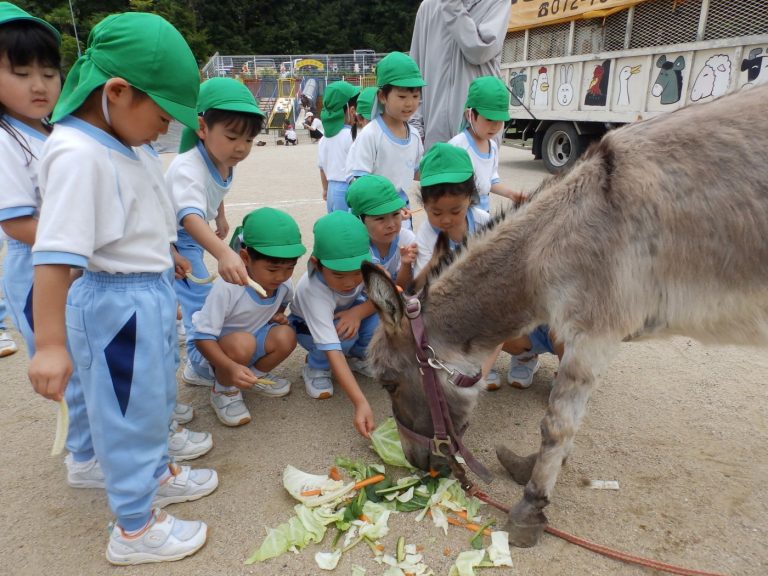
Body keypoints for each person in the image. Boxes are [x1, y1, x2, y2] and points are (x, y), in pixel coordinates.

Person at [28, 13, 218, 565]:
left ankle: (156, 472)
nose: (166, 130)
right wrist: (50, 344)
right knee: (127, 413)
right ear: (116, 92)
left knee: (153, 400)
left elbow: (138, 216)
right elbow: (55, 255)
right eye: (162, 116)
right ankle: (134, 528)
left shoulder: (122, 142)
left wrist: (168, 257)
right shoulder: (77, 154)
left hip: (148, 291)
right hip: (117, 304)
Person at [166, 77, 265, 389]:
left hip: (190, 235)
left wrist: (220, 216)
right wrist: (223, 252)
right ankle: (198, 365)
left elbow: (216, 190)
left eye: (248, 140)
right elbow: (190, 216)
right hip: (173, 238)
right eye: (233, 136)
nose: (241, 147)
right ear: (202, 127)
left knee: (184, 297)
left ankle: (179, 326)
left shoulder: (222, 158)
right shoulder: (187, 166)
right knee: (200, 303)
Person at [192, 208, 305, 427]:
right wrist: (230, 367)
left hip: (247, 344)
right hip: (212, 351)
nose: (281, 276)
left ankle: (252, 378)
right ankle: (224, 390)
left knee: (287, 335)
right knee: (243, 342)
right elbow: (202, 338)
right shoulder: (229, 287)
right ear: (245, 257)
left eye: (289, 268)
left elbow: (280, 305)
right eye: (272, 269)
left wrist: (278, 316)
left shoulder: (283, 286)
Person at [0, 1, 61, 359]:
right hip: (38, 266)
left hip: (71, 258)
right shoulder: (6, 138)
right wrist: (83, 242)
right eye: (21, 74)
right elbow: (16, 222)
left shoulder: (55, 131)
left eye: (50, 73)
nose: (39, 86)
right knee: (62, 359)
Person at [288, 211, 377, 437]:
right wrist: (360, 402)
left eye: (358, 273)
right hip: (308, 327)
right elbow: (332, 347)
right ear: (317, 265)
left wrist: (357, 312)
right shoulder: (313, 291)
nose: (349, 282)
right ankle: (316, 367)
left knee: (379, 322)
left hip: (347, 315)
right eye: (338, 275)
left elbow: (381, 296)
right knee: (342, 336)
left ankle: (356, 359)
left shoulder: (367, 265)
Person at [409, 0, 511, 149]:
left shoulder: (497, 3)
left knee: (477, 171)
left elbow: (479, 51)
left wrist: (452, 6)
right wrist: (416, 129)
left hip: (478, 133)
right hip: (434, 134)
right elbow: (415, 73)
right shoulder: (428, 6)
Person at [346, 52, 425, 230]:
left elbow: (417, 171)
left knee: (405, 255)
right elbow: (359, 180)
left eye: (415, 96)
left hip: (403, 212)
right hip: (376, 215)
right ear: (382, 96)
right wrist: (387, 206)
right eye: (402, 97)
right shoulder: (371, 134)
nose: (410, 103)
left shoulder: (413, 135)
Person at [448, 76, 526, 213]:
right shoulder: (457, 146)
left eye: (500, 120)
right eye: (489, 119)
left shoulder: (493, 147)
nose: (495, 126)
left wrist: (511, 194)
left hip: (483, 216)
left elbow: (490, 182)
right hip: (460, 218)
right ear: (470, 115)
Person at [345, 174, 417, 290]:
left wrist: (406, 264)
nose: (391, 225)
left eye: (395, 214)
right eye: (380, 218)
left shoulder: (407, 239)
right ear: (359, 219)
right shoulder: (355, 247)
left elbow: (402, 288)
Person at [318, 80, 360, 212]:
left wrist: (325, 189)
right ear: (350, 110)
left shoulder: (324, 138)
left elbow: (322, 169)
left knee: (337, 228)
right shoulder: (351, 135)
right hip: (348, 189)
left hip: (331, 189)